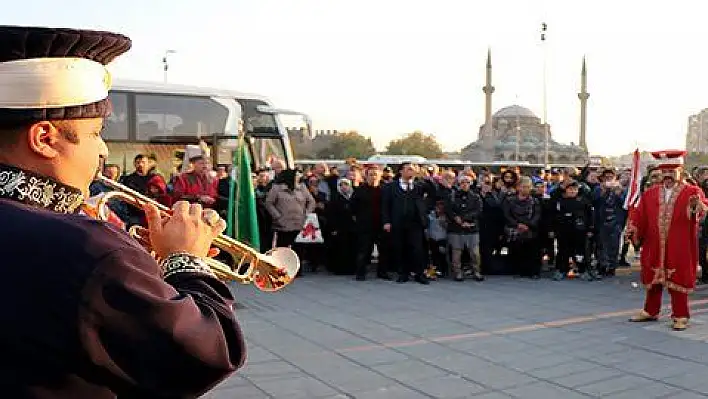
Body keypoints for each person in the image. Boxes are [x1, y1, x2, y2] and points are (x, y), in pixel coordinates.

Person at [0, 26, 246, 397]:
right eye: (97, 133)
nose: (102, 151)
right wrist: (186, 261)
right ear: (45, 138)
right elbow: (204, 355)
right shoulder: (86, 247)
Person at [627, 150, 708, 331]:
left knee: (678, 277)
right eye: (664, 171)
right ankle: (650, 310)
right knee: (653, 277)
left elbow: (701, 209)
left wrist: (697, 206)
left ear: (680, 171)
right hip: (654, 243)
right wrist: (634, 227)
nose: (667, 175)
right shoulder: (650, 193)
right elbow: (640, 215)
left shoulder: (692, 191)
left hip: (680, 244)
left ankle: (680, 315)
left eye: (672, 171)